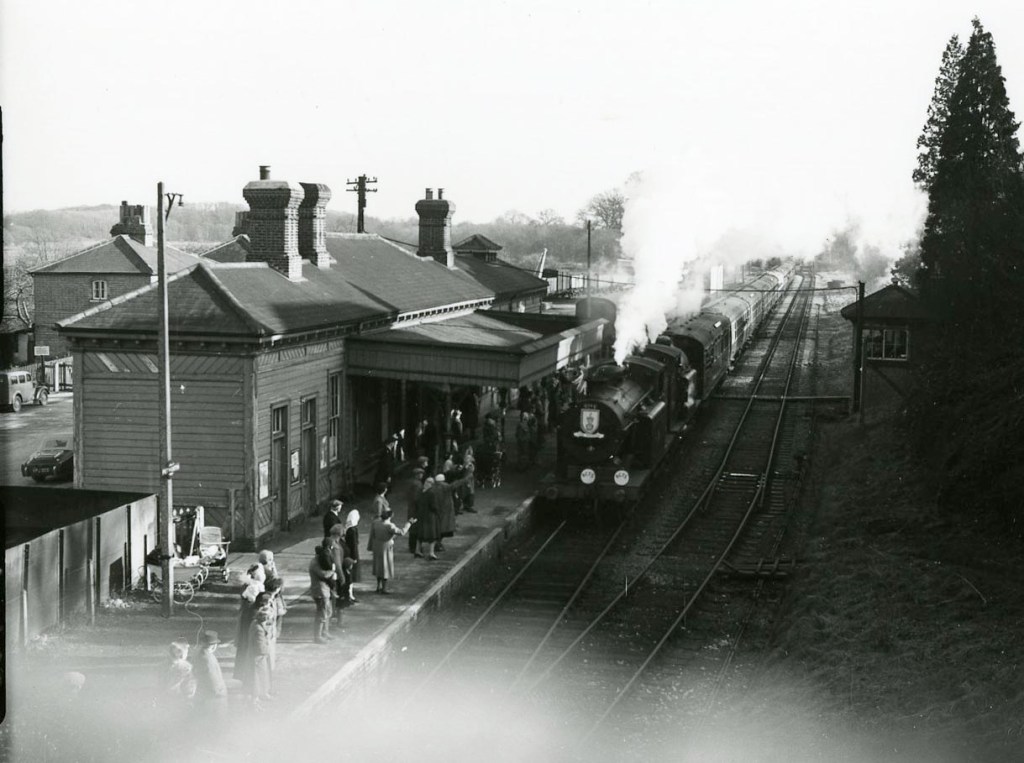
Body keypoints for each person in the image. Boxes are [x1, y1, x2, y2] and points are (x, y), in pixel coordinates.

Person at [367, 508, 415, 594]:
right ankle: (384, 588)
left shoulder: (375, 523)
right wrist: (409, 523)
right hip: (386, 547)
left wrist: (370, 547)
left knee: (378, 566)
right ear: (389, 517)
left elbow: (372, 535)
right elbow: (402, 532)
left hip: (377, 546)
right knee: (385, 567)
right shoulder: (389, 525)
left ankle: (378, 586)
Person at [233, 564, 266, 683]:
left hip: (246, 619)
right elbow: (251, 603)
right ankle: (247, 676)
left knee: (244, 646)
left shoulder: (249, 586)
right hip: (249, 620)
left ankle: (243, 674)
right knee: (248, 647)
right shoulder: (253, 587)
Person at [192, 630, 228, 719]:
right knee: (215, 719)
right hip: (212, 696)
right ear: (213, 646)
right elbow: (212, 677)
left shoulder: (199, 653)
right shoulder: (208, 658)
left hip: (203, 691)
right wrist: (219, 692)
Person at [308, 541, 337, 644]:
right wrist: (333, 571)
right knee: (321, 614)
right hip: (319, 592)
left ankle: (325, 632)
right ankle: (318, 636)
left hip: (324, 591)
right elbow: (324, 575)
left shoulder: (317, 561)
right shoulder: (315, 563)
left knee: (328, 612)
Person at [249, 603, 275, 708]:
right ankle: (256, 698)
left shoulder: (255, 624)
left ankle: (262, 693)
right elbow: (261, 647)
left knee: (262, 675)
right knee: (258, 677)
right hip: (259, 656)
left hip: (257, 655)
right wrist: (268, 651)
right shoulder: (259, 629)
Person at [415, 477, 439, 559]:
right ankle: (431, 553)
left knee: (420, 534)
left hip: (421, 515)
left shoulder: (421, 491)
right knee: (432, 535)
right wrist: (437, 512)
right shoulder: (431, 492)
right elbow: (434, 506)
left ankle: (417, 550)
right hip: (429, 516)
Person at [343, 508, 362, 590]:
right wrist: (354, 557)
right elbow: (354, 544)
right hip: (352, 550)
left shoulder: (348, 528)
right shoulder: (353, 530)